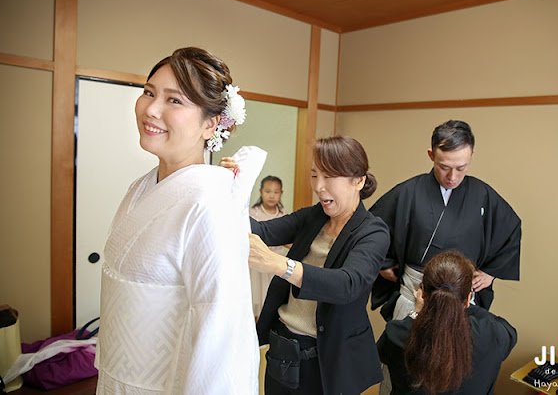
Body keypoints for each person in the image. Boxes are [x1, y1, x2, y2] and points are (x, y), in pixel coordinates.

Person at [95, 47, 264, 394]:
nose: (151, 109)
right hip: (116, 376)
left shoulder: (210, 204)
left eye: (174, 101)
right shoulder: (140, 187)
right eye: (149, 92)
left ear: (211, 123)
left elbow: (221, 332)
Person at [243, 136, 390, 394]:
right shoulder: (314, 216)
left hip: (327, 360)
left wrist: (282, 265)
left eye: (329, 177)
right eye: (314, 176)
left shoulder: (372, 232)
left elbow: (347, 284)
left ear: (359, 180)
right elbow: (261, 230)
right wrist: (229, 189)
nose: (319, 187)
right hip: (283, 349)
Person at [370, 120, 521, 322]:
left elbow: (510, 228)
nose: (452, 176)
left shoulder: (482, 194)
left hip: (460, 295)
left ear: (471, 156)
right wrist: (383, 263)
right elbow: (374, 225)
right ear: (431, 155)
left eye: (461, 167)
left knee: (455, 351)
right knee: (405, 350)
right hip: (415, 292)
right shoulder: (408, 192)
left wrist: (490, 273)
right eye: (444, 167)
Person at [377, 251, 517, 395]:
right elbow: (510, 333)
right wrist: (458, 305)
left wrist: (417, 313)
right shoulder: (492, 333)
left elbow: (382, 353)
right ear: (468, 298)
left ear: (423, 293)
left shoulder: (396, 334)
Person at [249, 176, 289, 316]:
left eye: (276, 192)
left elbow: (288, 236)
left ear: (281, 193)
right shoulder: (253, 213)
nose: (272, 195)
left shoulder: (283, 214)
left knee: (271, 294)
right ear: (260, 192)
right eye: (268, 191)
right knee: (257, 294)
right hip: (257, 259)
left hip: (277, 258)